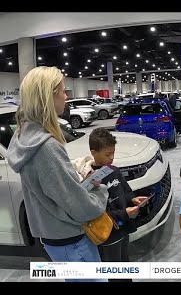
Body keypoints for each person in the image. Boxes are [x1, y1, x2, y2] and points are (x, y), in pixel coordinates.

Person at [7, 66, 109, 282]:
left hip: (54, 237)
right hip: (72, 241)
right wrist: (100, 194)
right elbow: (80, 206)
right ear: (48, 97)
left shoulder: (23, 136)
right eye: (62, 91)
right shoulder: (46, 148)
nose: (67, 96)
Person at [72, 127, 150, 281]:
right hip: (107, 234)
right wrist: (124, 213)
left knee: (125, 264)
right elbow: (96, 212)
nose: (112, 158)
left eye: (113, 153)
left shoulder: (114, 170)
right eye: (108, 154)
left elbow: (125, 190)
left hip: (123, 228)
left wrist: (133, 200)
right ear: (94, 152)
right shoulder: (89, 180)